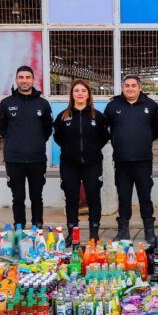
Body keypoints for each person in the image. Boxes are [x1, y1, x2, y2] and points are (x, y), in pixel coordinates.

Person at [104, 75, 158, 242]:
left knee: (145, 196)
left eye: (133, 85)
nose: (130, 88)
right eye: (127, 85)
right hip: (122, 160)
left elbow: (156, 130)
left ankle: (149, 231)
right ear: (122, 88)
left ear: (139, 87)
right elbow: (105, 128)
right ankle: (123, 231)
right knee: (123, 196)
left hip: (143, 160)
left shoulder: (150, 105)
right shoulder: (113, 105)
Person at [53, 80, 109, 241]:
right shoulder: (63, 117)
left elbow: (104, 137)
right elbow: (58, 137)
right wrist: (71, 149)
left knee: (93, 197)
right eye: (76, 90)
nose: (80, 93)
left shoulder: (98, 116)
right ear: (72, 94)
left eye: (83, 91)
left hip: (92, 164)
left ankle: (94, 232)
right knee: (71, 198)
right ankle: (72, 232)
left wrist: (92, 149)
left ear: (88, 94)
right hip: (70, 165)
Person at [0, 65, 52, 229]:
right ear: (16, 80)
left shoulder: (43, 104)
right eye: (21, 77)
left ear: (33, 80)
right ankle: (19, 229)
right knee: (18, 197)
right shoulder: (7, 103)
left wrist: (36, 143)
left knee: (37, 196)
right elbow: (2, 129)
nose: (24, 81)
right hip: (14, 160)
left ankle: (37, 229)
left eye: (28, 77)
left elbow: (47, 130)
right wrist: (15, 143)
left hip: (37, 159)